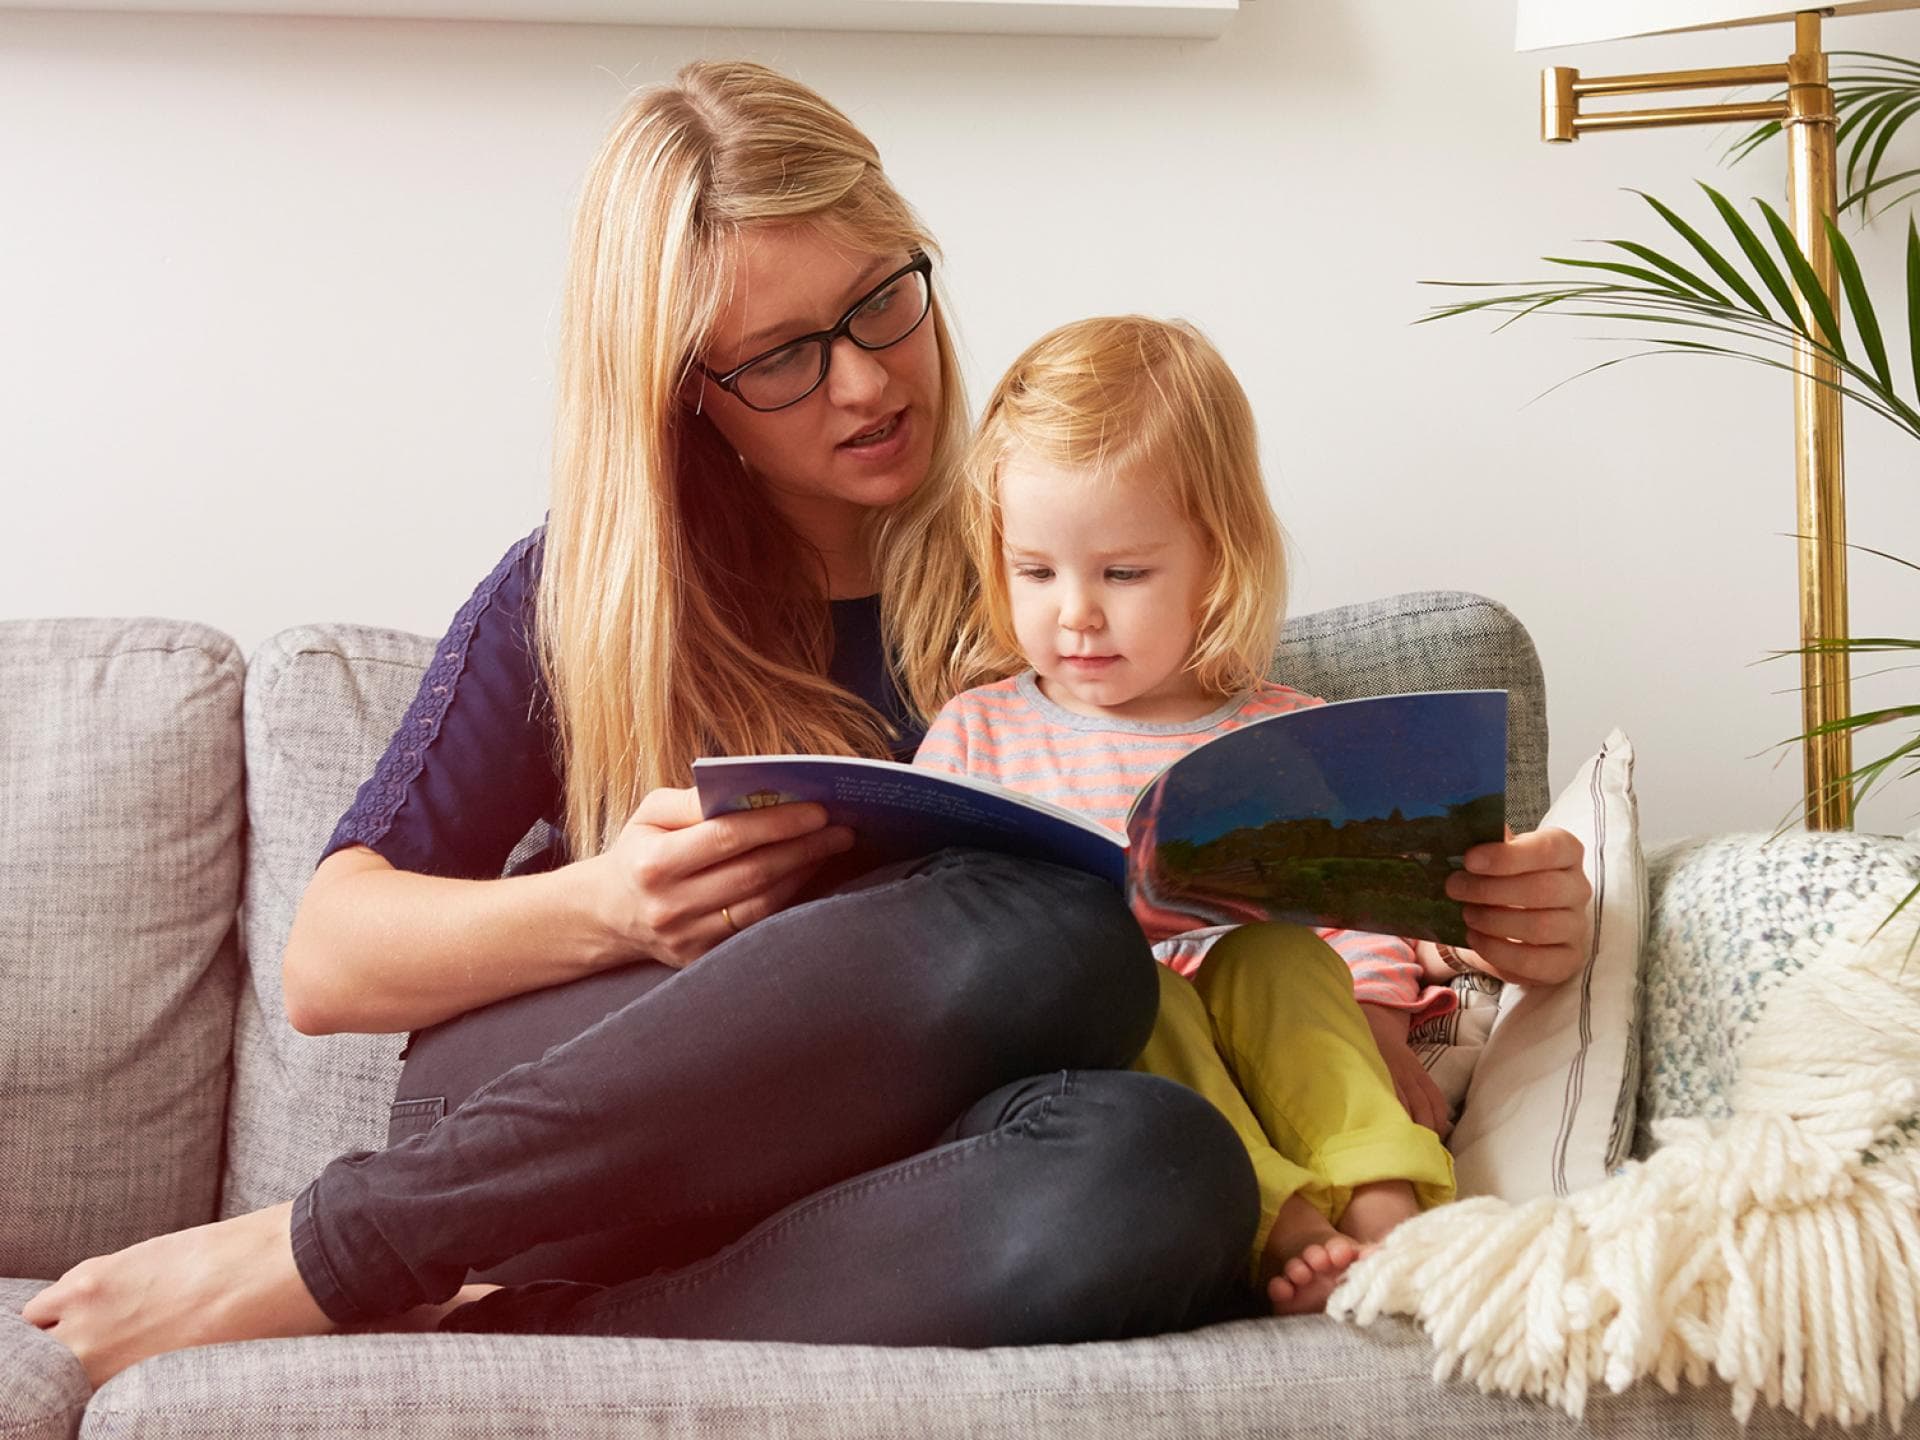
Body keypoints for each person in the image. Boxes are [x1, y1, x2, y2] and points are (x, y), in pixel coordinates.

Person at [23, 62, 1592, 1385]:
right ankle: (346, 1246)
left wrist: (1508, 913)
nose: (864, 381)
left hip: (875, 1186)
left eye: (880, 304)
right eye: (782, 355)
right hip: (567, 1111)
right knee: (1044, 937)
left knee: (1159, 1172)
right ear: (683, 390)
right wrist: (601, 908)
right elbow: (326, 958)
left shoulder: (1034, 568)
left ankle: (537, 1330)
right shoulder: (588, 588)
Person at [915, 315, 1502, 1312]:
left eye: (1124, 573)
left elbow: (1356, 913)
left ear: (1217, 559)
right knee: (1143, 1000)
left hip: (1277, 1032)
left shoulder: (1289, 736)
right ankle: (1281, 1224)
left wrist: (1381, 1029)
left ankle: (1381, 1197)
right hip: (1121, 1050)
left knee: (1284, 955)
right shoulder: (976, 734)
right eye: (1037, 571)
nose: (1076, 613)